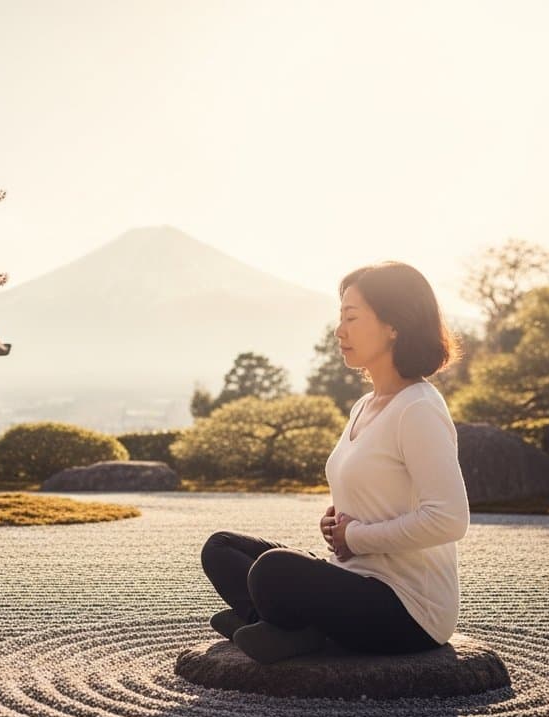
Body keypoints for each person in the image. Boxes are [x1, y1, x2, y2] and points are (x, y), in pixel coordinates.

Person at [199, 261, 470, 663]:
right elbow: (370, 497)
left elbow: (449, 519)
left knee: (273, 571)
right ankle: (283, 630)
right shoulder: (365, 405)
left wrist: (354, 536)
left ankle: (275, 628)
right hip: (351, 577)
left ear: (394, 325)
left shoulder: (418, 408)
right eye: (339, 317)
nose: (339, 331)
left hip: (406, 607)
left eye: (351, 318)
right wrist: (336, 522)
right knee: (220, 548)